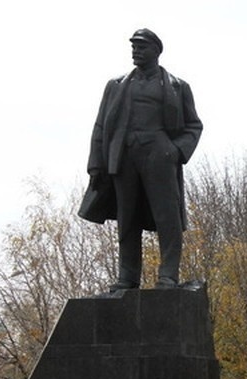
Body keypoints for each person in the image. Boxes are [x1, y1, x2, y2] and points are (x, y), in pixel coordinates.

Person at [79, 28, 203, 292]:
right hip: (124, 157)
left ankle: (168, 275)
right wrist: (96, 163)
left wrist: (176, 151)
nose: (135, 51)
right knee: (127, 218)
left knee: (167, 217)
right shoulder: (116, 86)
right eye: (133, 47)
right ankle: (128, 276)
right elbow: (100, 126)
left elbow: (194, 125)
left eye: (141, 47)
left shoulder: (177, 87)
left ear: (156, 51)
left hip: (159, 155)